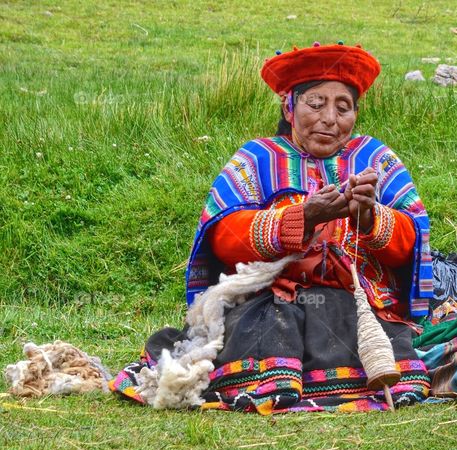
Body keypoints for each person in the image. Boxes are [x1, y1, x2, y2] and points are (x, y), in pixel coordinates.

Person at [110, 42, 433, 414]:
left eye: (343, 108)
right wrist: (301, 217)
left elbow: (413, 242)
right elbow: (223, 238)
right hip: (274, 301)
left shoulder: (376, 159)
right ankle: (270, 379)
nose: (330, 117)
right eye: (316, 104)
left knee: (349, 315)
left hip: (356, 302)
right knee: (268, 318)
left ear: (355, 115)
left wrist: (371, 218)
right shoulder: (257, 158)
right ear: (289, 107)